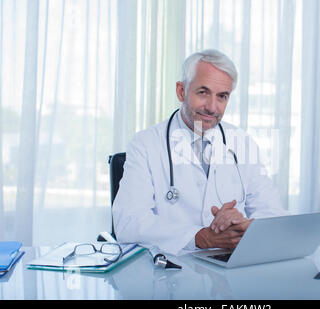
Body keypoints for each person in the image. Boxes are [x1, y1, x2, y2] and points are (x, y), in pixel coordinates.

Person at [112, 49, 286, 255]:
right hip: (172, 269)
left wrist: (245, 226)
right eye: (203, 92)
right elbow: (129, 222)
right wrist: (199, 236)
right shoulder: (146, 144)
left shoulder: (242, 143)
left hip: (230, 267)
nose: (212, 107)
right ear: (181, 91)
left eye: (222, 96)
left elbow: (273, 212)